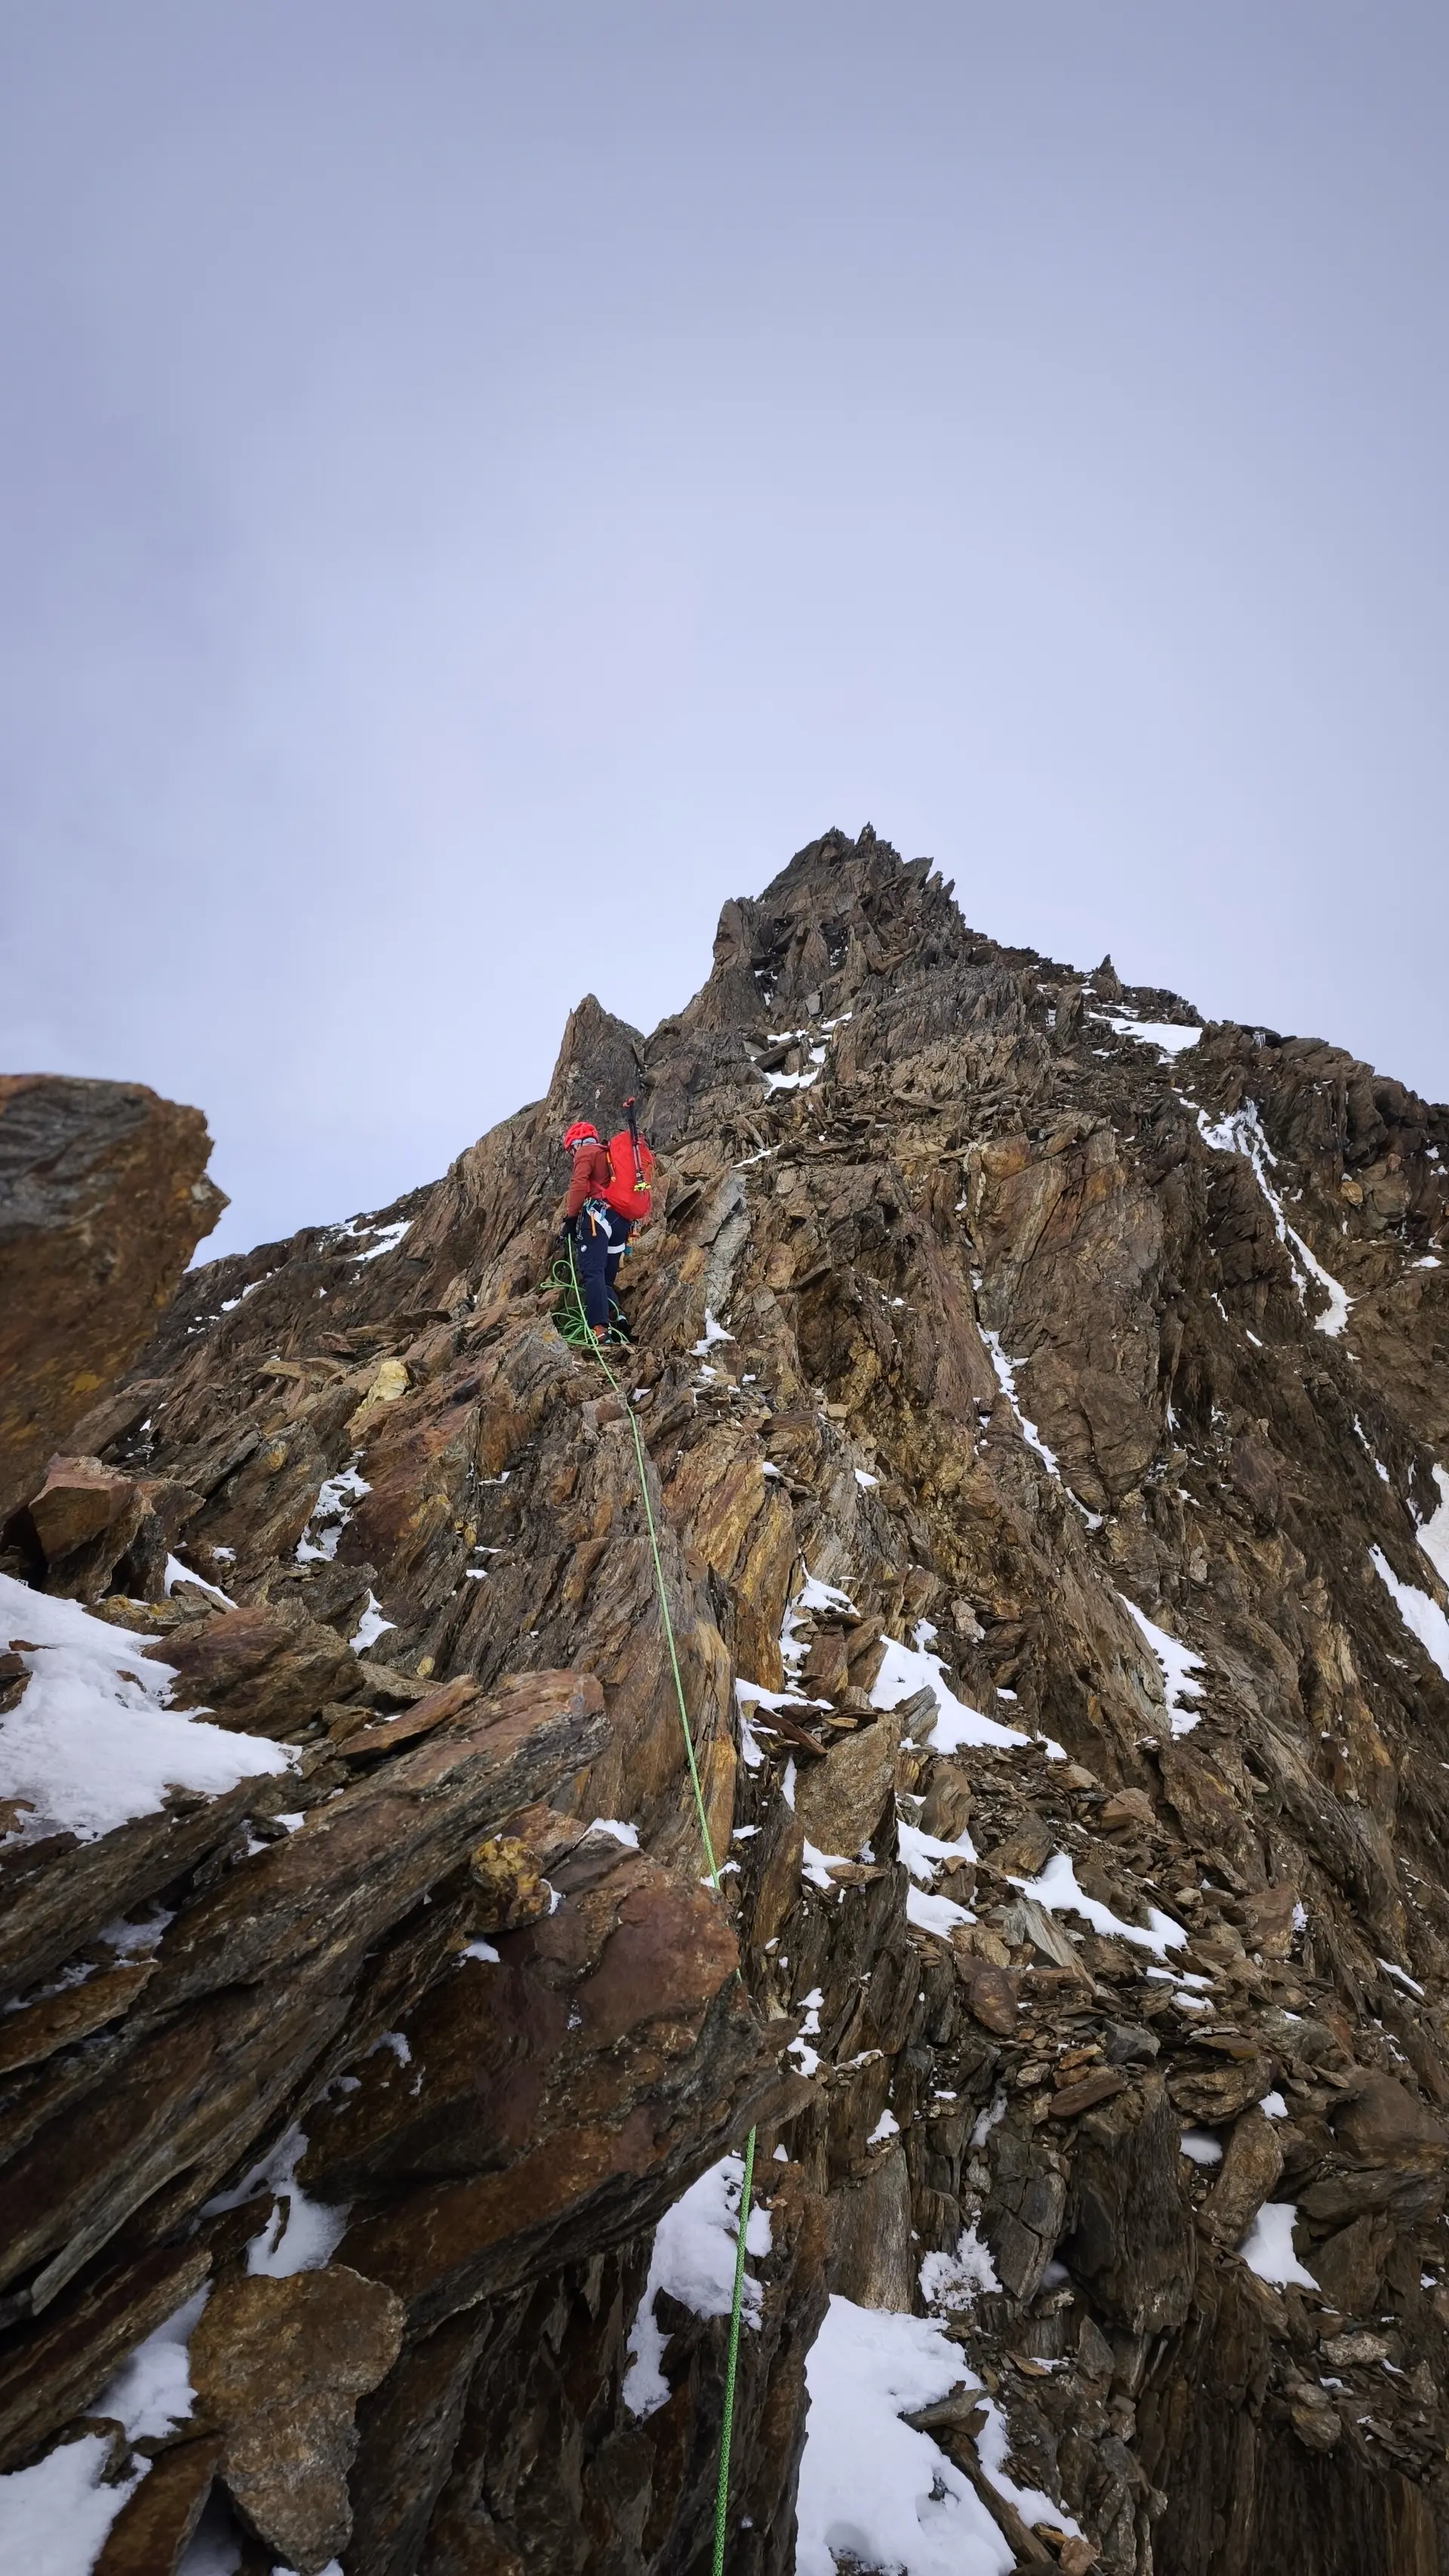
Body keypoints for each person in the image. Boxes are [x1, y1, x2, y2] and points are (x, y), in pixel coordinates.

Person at [559, 1120, 632, 1342]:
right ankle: (617, 1318)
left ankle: (599, 1329)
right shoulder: (609, 1154)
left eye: (572, 1148)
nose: (573, 1154)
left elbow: (579, 1185)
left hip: (597, 1218)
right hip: (622, 1222)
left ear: (577, 1143)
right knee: (605, 1279)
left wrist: (570, 1219)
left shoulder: (585, 1152)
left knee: (592, 1272)